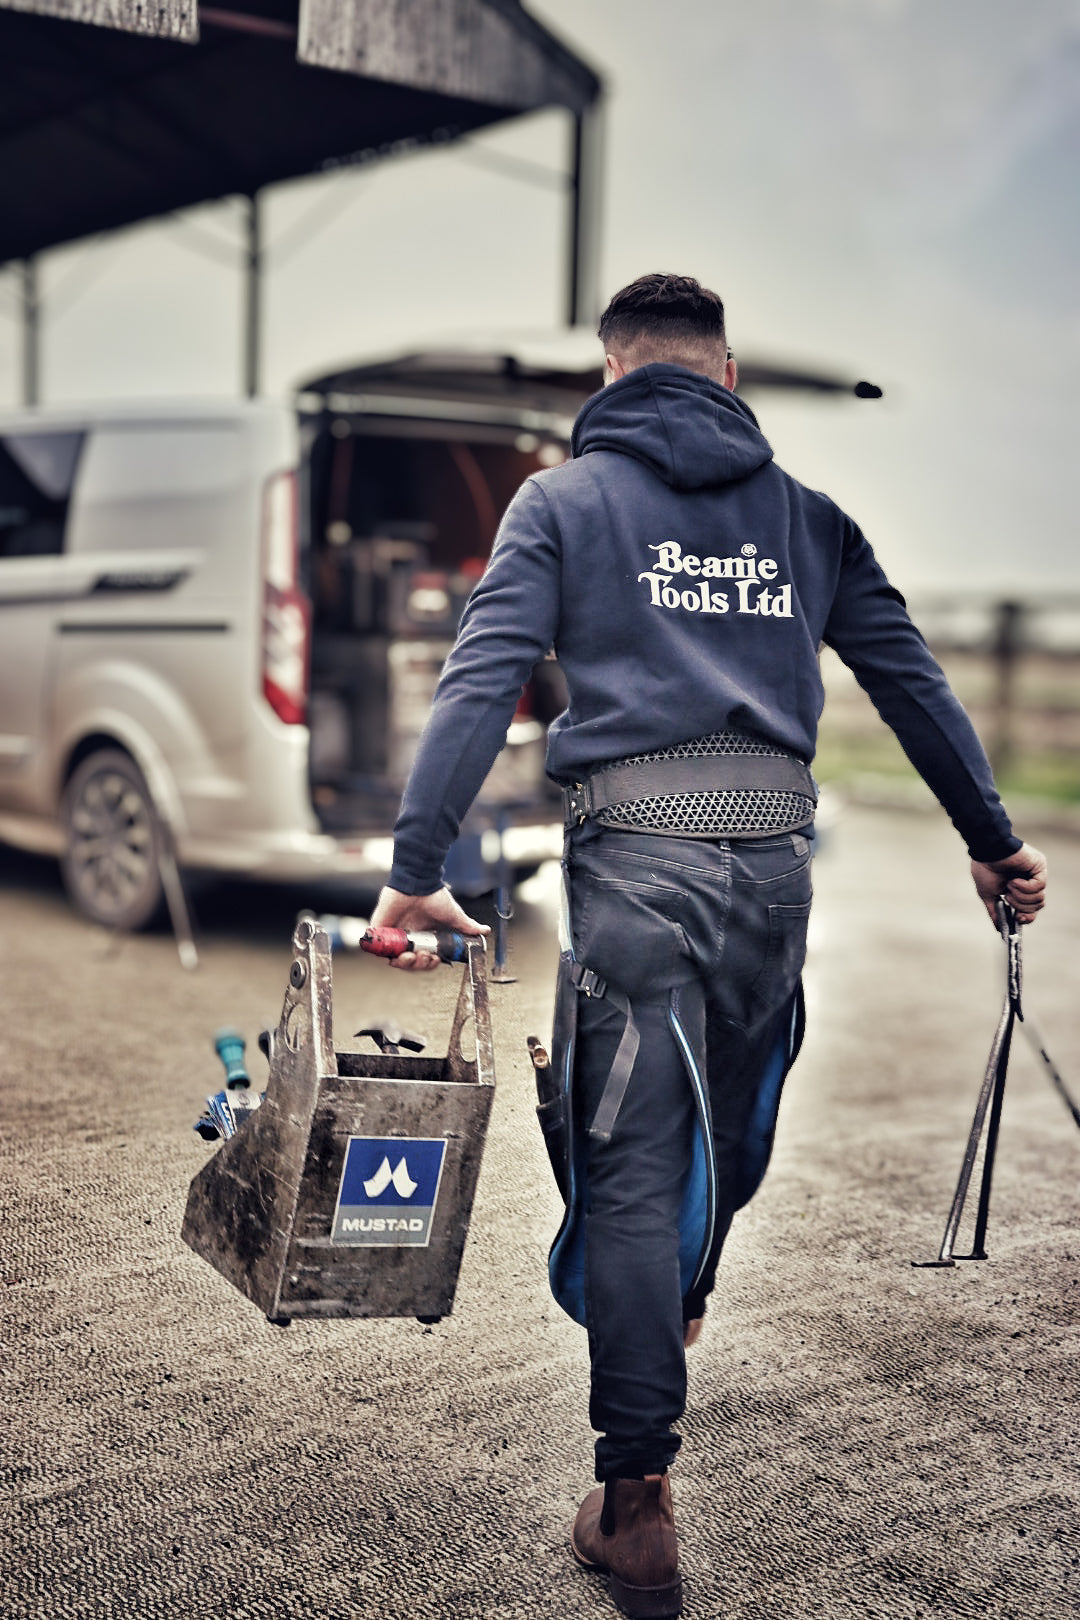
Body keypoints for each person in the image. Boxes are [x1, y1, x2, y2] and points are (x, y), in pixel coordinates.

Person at [369, 273, 1047, 1619]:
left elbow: (479, 678)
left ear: (611, 381)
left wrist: (411, 875)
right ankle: (675, 1300)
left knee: (630, 1171)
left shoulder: (561, 505)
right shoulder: (808, 518)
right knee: (725, 1131)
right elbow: (909, 676)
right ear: (725, 382)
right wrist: (992, 838)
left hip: (637, 873)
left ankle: (636, 1510)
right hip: (773, 884)